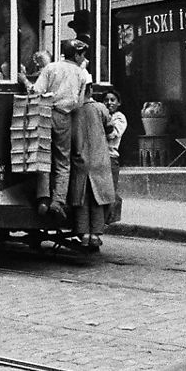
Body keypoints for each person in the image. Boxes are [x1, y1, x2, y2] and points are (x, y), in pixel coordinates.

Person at [31, 40, 92, 219]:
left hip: (45, 113)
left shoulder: (51, 68)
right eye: (83, 55)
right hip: (64, 117)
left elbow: (37, 91)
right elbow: (79, 102)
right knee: (62, 160)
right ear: (77, 55)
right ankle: (58, 201)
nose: (84, 58)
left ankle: (43, 199)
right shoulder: (81, 74)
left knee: (43, 155)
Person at [68, 84, 116, 251]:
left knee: (82, 197)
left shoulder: (73, 110)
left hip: (80, 160)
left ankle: (83, 234)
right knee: (98, 198)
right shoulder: (100, 108)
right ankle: (95, 233)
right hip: (99, 160)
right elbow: (111, 131)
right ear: (91, 91)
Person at [104, 89, 127, 222]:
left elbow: (112, 135)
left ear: (118, 103)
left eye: (113, 100)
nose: (109, 103)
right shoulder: (103, 115)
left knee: (110, 191)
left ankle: (107, 220)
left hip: (111, 157)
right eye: (106, 100)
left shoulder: (119, 118)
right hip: (100, 156)